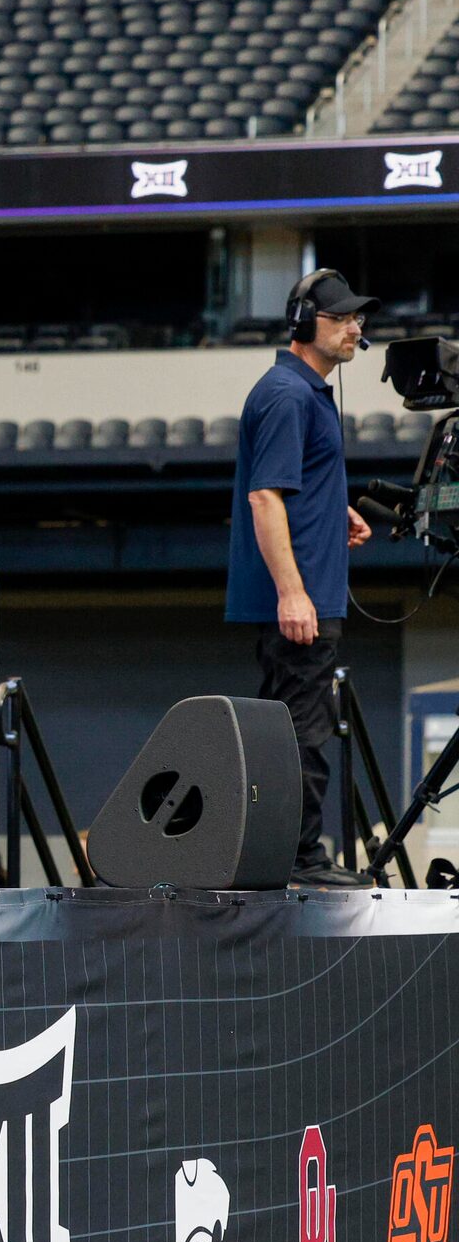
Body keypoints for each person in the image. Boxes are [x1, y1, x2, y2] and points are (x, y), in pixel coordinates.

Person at [229, 266, 375, 887]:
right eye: (340, 318)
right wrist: (293, 591)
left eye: (355, 319)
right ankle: (298, 860)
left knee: (296, 726)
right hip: (301, 599)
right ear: (302, 325)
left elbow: (288, 484)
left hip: (310, 591)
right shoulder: (289, 394)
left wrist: (329, 502)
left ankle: (293, 856)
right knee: (303, 732)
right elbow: (265, 497)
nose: (354, 327)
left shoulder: (305, 392)